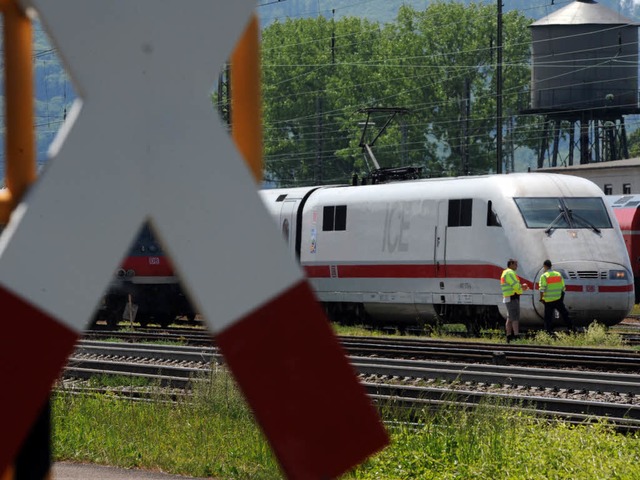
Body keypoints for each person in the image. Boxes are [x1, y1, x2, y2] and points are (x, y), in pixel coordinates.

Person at [538, 259, 573, 334]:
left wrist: (541, 299)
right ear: (551, 266)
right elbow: (563, 287)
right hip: (558, 299)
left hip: (548, 301)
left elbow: (542, 289)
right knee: (565, 314)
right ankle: (572, 329)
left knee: (548, 317)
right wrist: (561, 298)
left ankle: (549, 332)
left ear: (545, 266)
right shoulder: (558, 274)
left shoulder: (544, 276)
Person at [500, 259, 529, 342]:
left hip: (508, 297)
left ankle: (508, 336)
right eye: (516, 264)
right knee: (515, 317)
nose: (517, 266)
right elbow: (515, 285)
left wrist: (521, 288)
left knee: (510, 318)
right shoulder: (510, 273)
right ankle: (516, 336)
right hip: (512, 297)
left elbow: (514, 285)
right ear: (511, 264)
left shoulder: (505, 272)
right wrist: (522, 288)